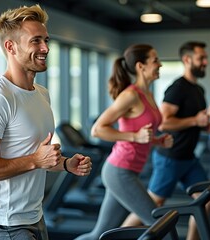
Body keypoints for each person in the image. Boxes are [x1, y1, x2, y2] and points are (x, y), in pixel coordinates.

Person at [0, 5, 92, 240]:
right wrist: (35, 160)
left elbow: (36, 157)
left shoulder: (41, 93)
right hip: (4, 223)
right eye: (35, 41)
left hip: (34, 216)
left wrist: (65, 164)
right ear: (10, 46)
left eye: (45, 40)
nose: (45, 48)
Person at [74, 44, 173, 240]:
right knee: (160, 224)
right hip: (119, 170)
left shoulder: (149, 95)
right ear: (140, 66)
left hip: (129, 171)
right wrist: (135, 137)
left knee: (98, 235)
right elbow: (98, 129)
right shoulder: (130, 95)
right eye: (155, 60)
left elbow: (141, 131)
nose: (159, 64)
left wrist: (157, 141)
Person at [122, 41, 210, 240]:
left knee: (206, 200)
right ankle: (119, 237)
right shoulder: (177, 88)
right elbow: (164, 123)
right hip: (170, 158)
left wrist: (204, 125)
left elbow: (193, 120)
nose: (205, 62)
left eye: (205, 58)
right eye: (201, 58)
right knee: (151, 206)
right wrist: (195, 120)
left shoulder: (198, 90)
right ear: (187, 59)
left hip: (189, 158)